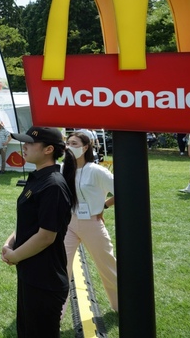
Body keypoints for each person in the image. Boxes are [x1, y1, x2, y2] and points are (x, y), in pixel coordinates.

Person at [1, 127, 77, 337]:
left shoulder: (53, 185)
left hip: (45, 279)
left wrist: (15, 255)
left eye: (29, 143)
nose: (23, 146)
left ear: (48, 149)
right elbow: (29, 222)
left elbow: (46, 236)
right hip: (30, 272)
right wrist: (10, 242)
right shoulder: (38, 177)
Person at [63, 132, 118, 314]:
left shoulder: (97, 171)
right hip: (69, 224)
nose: (69, 146)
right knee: (61, 268)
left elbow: (122, 189)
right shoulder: (64, 168)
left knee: (108, 267)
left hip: (92, 224)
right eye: (68, 143)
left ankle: (121, 306)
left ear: (85, 147)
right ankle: (57, 314)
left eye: (74, 143)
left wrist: (104, 205)